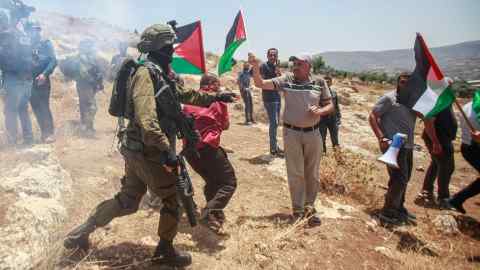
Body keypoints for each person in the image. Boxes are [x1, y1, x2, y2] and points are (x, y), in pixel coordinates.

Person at [63, 24, 236, 268]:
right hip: (149, 150)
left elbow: (183, 95)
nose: (172, 50)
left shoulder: (159, 72)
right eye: (169, 46)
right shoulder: (146, 74)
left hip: (138, 147)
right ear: (160, 47)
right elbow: (147, 120)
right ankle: (164, 251)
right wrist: (167, 152)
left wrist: (215, 97)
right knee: (173, 200)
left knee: (128, 199)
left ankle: (80, 233)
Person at [250, 52, 333, 226]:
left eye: (299, 64)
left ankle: (309, 207)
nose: (295, 66)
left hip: (314, 134)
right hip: (291, 134)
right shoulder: (286, 80)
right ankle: (298, 210)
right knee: (295, 173)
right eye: (294, 63)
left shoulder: (319, 82)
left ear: (309, 66)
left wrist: (320, 111)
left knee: (312, 174)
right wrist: (256, 67)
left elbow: (330, 105)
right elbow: (260, 84)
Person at [369, 73, 441, 225]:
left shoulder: (413, 102)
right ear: (397, 83)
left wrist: (434, 139)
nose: (405, 85)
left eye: (408, 83)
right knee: (400, 179)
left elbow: (427, 119)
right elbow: (373, 116)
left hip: (407, 144)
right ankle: (388, 213)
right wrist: (381, 137)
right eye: (402, 82)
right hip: (393, 144)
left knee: (404, 178)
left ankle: (399, 209)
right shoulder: (389, 98)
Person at [183, 73, 237, 234]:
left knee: (212, 181)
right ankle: (208, 214)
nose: (219, 87)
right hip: (207, 149)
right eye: (218, 84)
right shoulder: (217, 99)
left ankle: (214, 212)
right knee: (229, 183)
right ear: (212, 84)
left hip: (190, 152)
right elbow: (225, 125)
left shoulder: (189, 99)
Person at [0, 8, 33, 146]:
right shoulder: (21, 34)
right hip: (26, 80)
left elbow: (5, 57)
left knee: (10, 110)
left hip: (12, 79)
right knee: (22, 109)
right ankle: (28, 138)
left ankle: (12, 142)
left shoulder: (4, 36)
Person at [59, 39, 105, 138]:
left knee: (85, 106)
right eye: (89, 46)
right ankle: (86, 127)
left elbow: (96, 71)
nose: (91, 48)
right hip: (84, 85)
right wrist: (93, 81)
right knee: (92, 107)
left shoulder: (90, 58)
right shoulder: (81, 58)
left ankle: (87, 127)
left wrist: (99, 81)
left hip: (89, 86)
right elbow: (83, 73)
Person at [415, 105, 457, 208]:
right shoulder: (438, 100)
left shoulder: (446, 100)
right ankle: (443, 198)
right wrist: (435, 142)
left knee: (436, 164)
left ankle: (427, 191)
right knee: (447, 167)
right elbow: (428, 121)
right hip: (439, 139)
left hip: (442, 138)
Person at [447, 98, 480, 214]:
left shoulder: (469, 105)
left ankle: (457, 199)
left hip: (467, 146)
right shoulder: (475, 109)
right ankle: (457, 199)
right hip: (474, 147)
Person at [26, 20, 57, 143]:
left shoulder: (46, 43)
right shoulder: (26, 45)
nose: (36, 32)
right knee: (35, 107)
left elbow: (53, 61)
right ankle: (44, 132)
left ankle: (49, 133)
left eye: (38, 30)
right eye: (33, 30)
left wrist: (44, 74)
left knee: (44, 106)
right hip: (29, 81)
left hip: (42, 80)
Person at [260, 48, 283, 156]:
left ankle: (275, 146)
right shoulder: (264, 66)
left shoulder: (276, 67)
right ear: (267, 56)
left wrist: (278, 71)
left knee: (276, 123)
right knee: (273, 123)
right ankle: (273, 148)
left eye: (275, 55)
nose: (273, 57)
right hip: (269, 98)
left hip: (277, 97)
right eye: (271, 55)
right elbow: (259, 79)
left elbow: (280, 80)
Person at [318, 75, 342, 155]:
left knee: (335, 139)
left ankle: (338, 158)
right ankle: (323, 157)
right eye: (325, 81)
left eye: (329, 81)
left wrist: (338, 119)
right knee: (322, 139)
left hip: (333, 119)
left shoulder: (334, 93)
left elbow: (336, 107)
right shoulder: (319, 94)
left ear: (331, 83)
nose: (327, 83)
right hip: (322, 120)